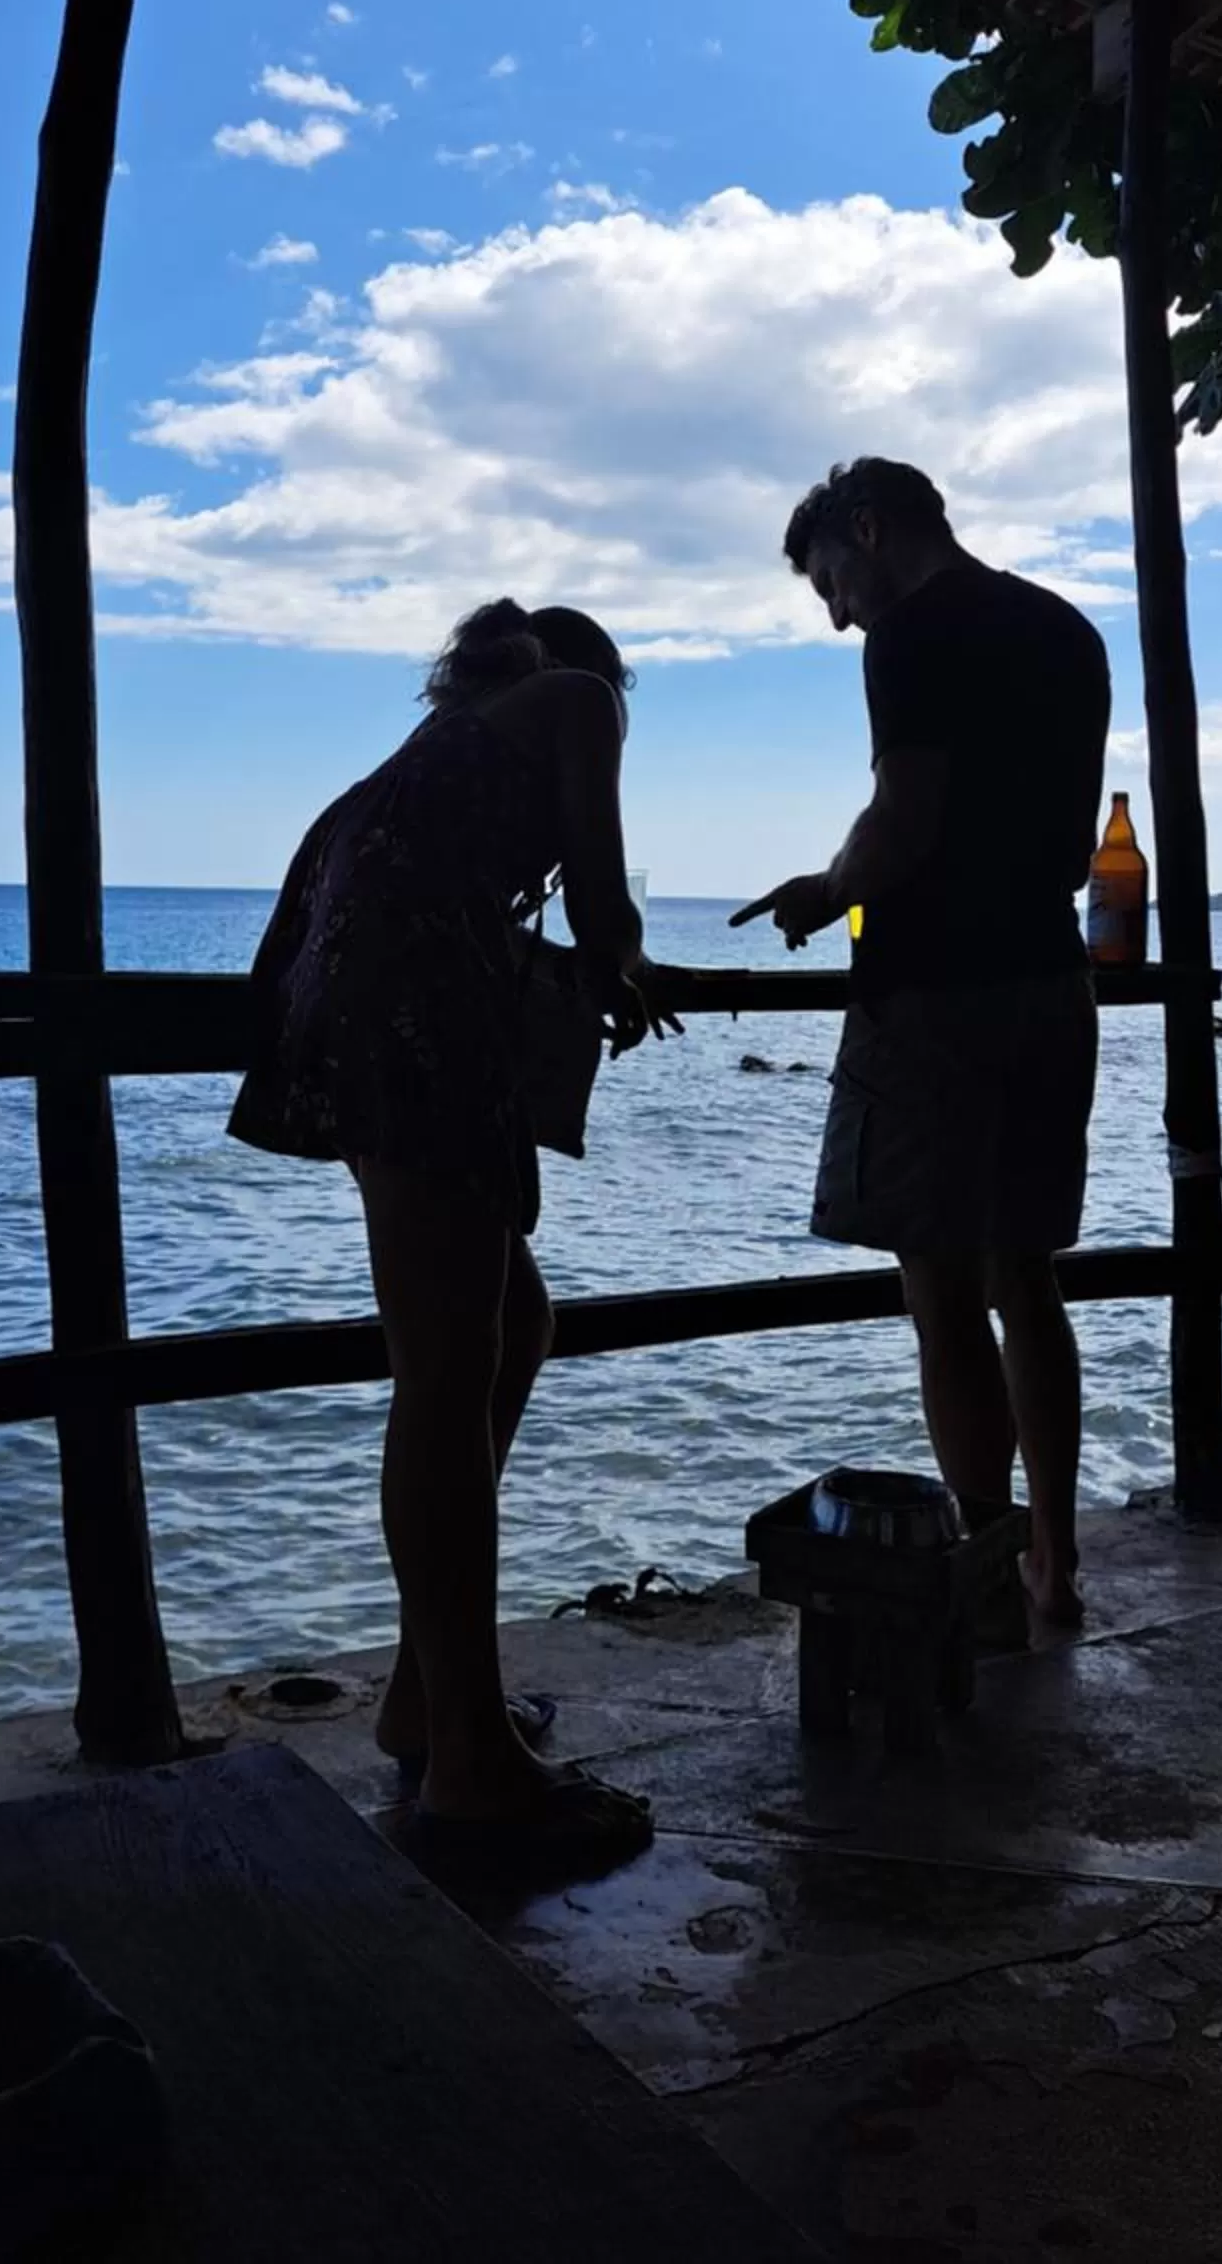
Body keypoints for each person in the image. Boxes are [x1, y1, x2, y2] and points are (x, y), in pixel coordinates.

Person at [229, 598, 677, 1859]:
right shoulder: (577, 705)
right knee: (439, 1374)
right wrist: (633, 962)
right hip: (418, 1016)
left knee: (510, 1322)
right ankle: (471, 1766)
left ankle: (428, 1698)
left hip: (351, 1013)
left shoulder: (425, 753)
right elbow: (603, 905)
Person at [732, 459, 1110, 1628]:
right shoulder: (1066, 630)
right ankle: (1056, 1561)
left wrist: (826, 889)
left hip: (936, 997)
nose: (840, 610)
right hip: (1053, 982)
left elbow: (906, 819)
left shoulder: (908, 637)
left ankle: (987, 1571)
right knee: (1029, 1281)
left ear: (870, 529)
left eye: (832, 581)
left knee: (942, 1295)